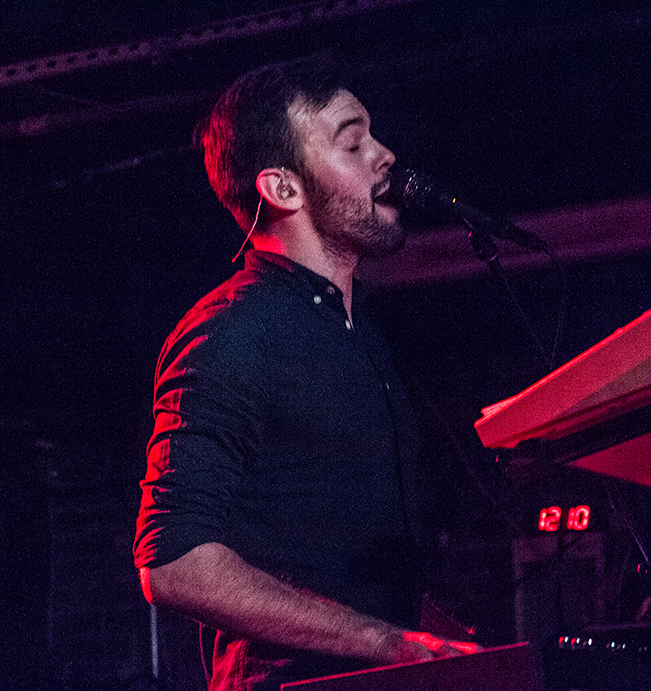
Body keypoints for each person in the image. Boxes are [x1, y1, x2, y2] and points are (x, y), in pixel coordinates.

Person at [133, 57, 476, 691]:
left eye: (373, 136)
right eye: (352, 143)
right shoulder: (230, 334)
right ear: (283, 189)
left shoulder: (358, 331)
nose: (384, 155)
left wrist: (450, 643)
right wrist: (383, 641)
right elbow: (173, 562)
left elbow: (343, 572)